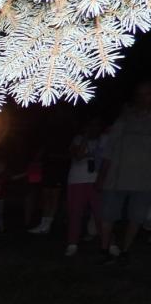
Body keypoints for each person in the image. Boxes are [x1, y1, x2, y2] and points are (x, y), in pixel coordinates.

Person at [97, 81, 151, 266]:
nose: (144, 97)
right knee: (107, 215)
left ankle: (125, 251)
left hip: (144, 180)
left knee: (136, 217)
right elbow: (109, 148)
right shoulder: (124, 118)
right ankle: (105, 250)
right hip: (116, 177)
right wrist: (102, 175)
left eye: (148, 94)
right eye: (142, 93)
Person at [65, 116, 105, 257]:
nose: (94, 128)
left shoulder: (103, 140)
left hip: (97, 180)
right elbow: (78, 156)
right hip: (77, 180)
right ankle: (72, 243)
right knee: (75, 213)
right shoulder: (78, 139)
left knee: (102, 214)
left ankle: (108, 243)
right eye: (91, 125)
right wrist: (86, 137)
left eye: (96, 125)